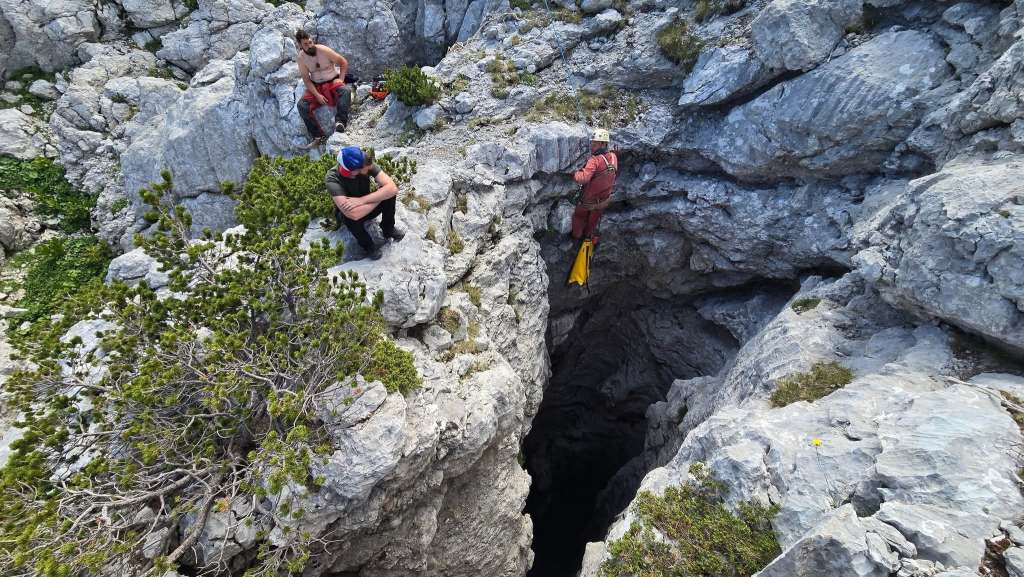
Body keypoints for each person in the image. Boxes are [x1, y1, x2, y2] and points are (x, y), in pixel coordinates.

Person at [326, 146, 405, 260]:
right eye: (365, 170)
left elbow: (392, 188)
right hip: (352, 214)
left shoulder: (365, 163)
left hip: (365, 204)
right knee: (349, 217)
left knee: (389, 194)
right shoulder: (333, 179)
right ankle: (368, 246)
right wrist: (380, 196)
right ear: (353, 171)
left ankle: (388, 229)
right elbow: (353, 214)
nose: (369, 169)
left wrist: (362, 200)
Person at [295, 29, 352, 147]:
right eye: (305, 44)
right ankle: (318, 136)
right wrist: (317, 95)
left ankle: (340, 122)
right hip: (317, 86)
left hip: (332, 81)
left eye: (310, 42)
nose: (310, 45)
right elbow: (306, 79)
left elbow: (343, 62)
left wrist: (341, 79)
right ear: (300, 45)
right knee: (302, 105)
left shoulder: (323, 50)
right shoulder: (301, 58)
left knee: (345, 91)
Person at [571, 128, 619, 243]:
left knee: (579, 217)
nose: (592, 145)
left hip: (588, 202)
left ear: (603, 143)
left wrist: (574, 173)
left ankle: (576, 238)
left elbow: (583, 178)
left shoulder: (594, 160)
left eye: (595, 143)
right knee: (593, 220)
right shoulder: (613, 157)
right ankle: (588, 237)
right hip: (603, 200)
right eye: (592, 142)